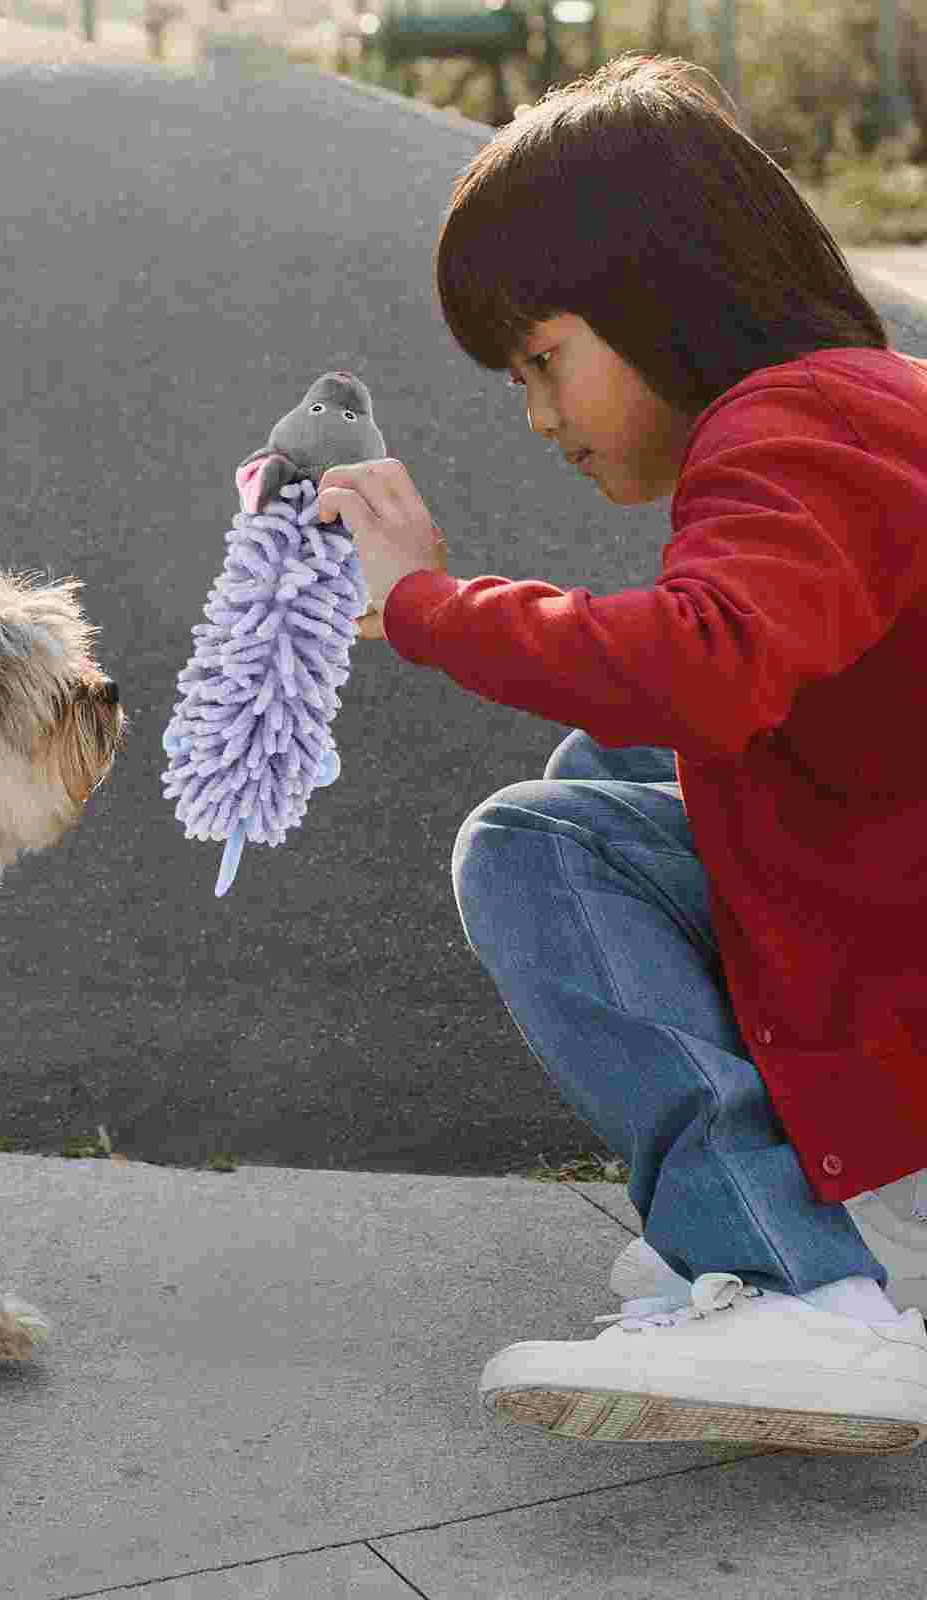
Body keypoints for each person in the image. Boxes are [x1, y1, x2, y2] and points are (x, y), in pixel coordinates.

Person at [317, 54, 927, 1452]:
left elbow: (702, 661)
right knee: (609, 764)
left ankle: (799, 1284)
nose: (540, 416)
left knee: (536, 844)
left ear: (665, 297)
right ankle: (777, 1232)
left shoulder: (799, 426)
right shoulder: (869, 401)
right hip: (890, 903)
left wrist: (424, 602)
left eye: (545, 362)